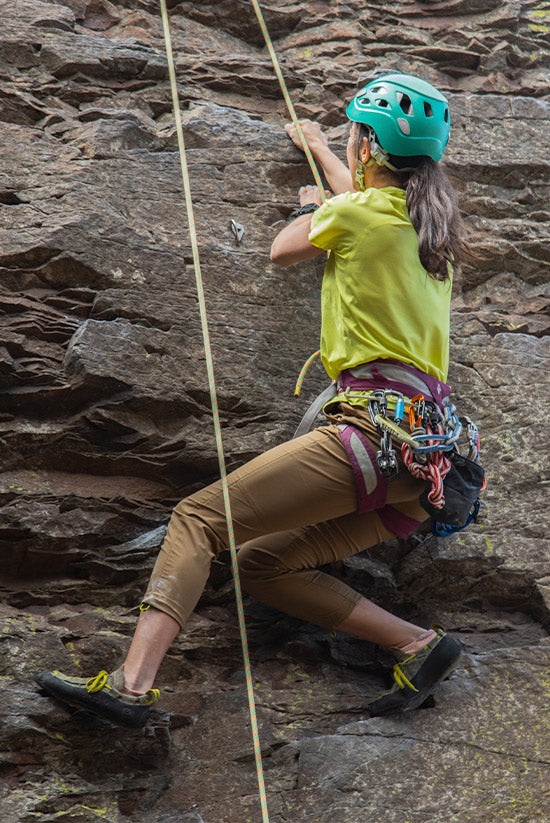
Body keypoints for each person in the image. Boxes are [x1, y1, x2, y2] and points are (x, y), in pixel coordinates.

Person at [36, 73, 466, 728]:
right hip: (423, 467)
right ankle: (416, 643)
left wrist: (306, 205)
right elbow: (361, 205)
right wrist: (321, 148)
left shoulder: (354, 215)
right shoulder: (428, 237)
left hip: (369, 435)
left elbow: (284, 249)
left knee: (198, 519)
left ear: (369, 147)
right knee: (262, 563)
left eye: (354, 136)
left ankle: (130, 684)